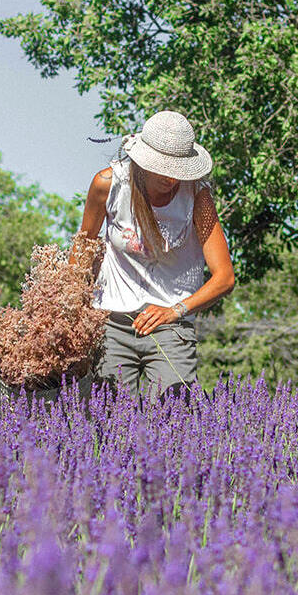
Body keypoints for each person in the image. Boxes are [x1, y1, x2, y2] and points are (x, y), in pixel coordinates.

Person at [76, 110, 235, 397]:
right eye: (162, 167)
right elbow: (81, 253)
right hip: (111, 322)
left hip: (171, 327)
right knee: (109, 421)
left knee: (173, 419)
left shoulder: (197, 197)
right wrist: (70, 314)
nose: (171, 178)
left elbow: (224, 278)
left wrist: (176, 311)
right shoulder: (108, 185)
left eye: (177, 169)